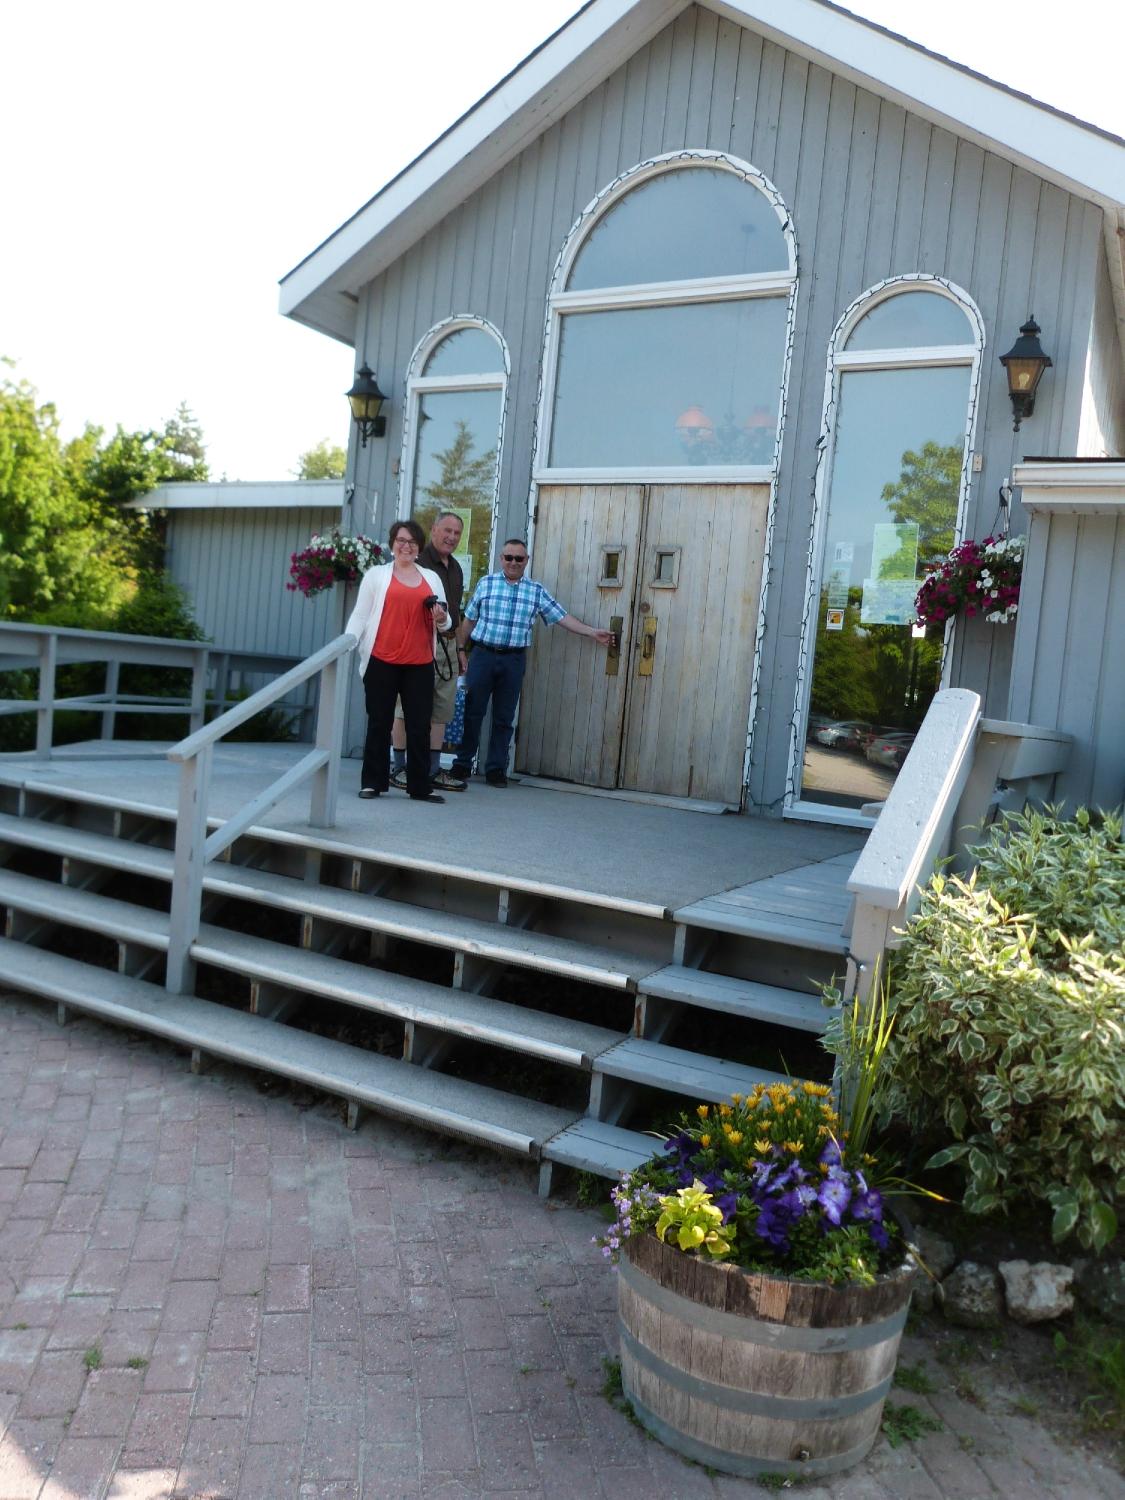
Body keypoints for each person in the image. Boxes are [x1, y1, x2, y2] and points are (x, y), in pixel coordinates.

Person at [452, 537, 613, 787]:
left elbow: (561, 617)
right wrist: (461, 650)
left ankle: (495, 769)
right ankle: (462, 764)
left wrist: (592, 632)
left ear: (526, 561)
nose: (513, 562)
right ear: (501, 559)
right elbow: (469, 620)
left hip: (513, 660)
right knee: (473, 712)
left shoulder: (535, 590)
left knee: (504, 717)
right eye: (509, 557)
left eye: (519, 558)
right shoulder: (486, 584)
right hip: (483, 656)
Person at [344, 519, 449, 803]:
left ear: (419, 547)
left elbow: (446, 620)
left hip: (419, 662)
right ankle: (372, 783)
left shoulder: (431, 578)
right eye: (401, 540)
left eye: (412, 542)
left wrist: (441, 618)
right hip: (381, 659)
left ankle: (420, 786)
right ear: (392, 544)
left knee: (419, 725)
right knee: (379, 722)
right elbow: (360, 615)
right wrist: (348, 642)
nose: (406, 546)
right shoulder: (377, 575)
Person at [390, 511, 468, 793]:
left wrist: (460, 648)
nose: (451, 537)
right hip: (419, 642)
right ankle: (399, 767)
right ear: (434, 530)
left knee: (441, 708)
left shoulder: (456, 567)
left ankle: (432, 770)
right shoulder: (418, 562)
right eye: (447, 530)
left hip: (448, 644)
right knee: (405, 707)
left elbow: (455, 611)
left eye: (456, 533)